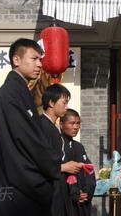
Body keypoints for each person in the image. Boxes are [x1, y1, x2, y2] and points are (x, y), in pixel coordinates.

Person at [0, 38, 62, 216]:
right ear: (16, 60)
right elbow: (27, 139)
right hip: (21, 187)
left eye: (40, 59)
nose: (39, 64)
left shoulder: (19, 90)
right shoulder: (11, 93)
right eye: (34, 59)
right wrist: (53, 163)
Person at [40, 84, 75, 216]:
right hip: (48, 190)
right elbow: (41, 160)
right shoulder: (42, 126)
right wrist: (64, 167)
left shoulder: (52, 127)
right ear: (51, 102)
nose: (66, 107)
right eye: (64, 103)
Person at [60, 109, 96, 216]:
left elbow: (89, 171)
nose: (76, 127)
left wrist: (86, 192)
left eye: (78, 123)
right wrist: (75, 193)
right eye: (72, 123)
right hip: (66, 201)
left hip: (82, 202)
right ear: (61, 124)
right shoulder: (59, 145)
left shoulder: (79, 146)